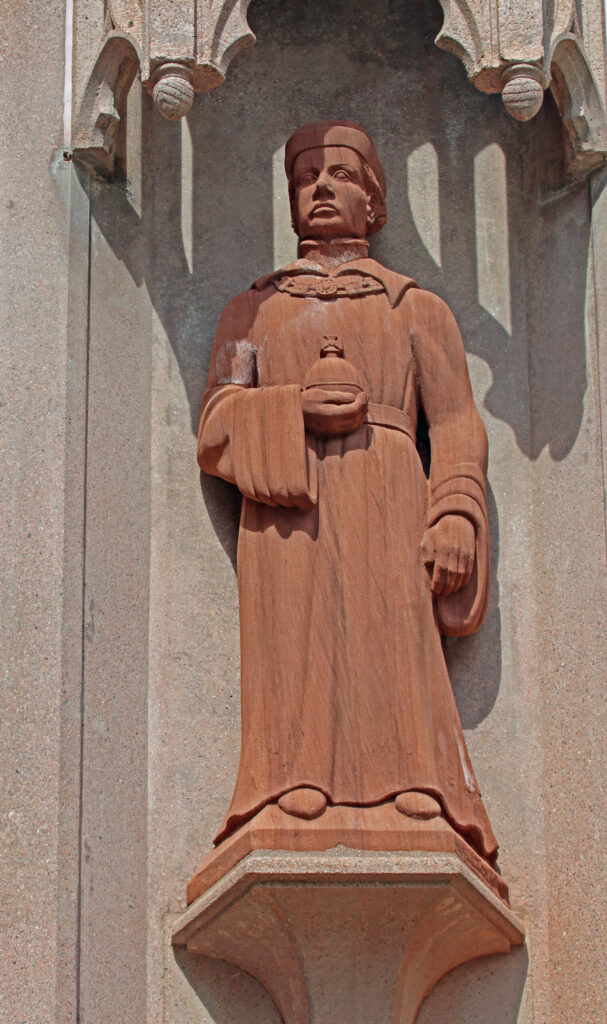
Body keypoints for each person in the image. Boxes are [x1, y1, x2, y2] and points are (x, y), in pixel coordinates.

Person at [198, 120, 498, 862]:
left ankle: (413, 779)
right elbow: (214, 423)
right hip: (287, 505)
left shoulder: (411, 307)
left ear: (376, 203)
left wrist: (455, 511)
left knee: (388, 623)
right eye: (305, 178)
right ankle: (286, 777)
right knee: (296, 634)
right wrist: (290, 409)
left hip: (387, 490)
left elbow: (457, 422)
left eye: (339, 175)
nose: (321, 188)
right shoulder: (254, 310)